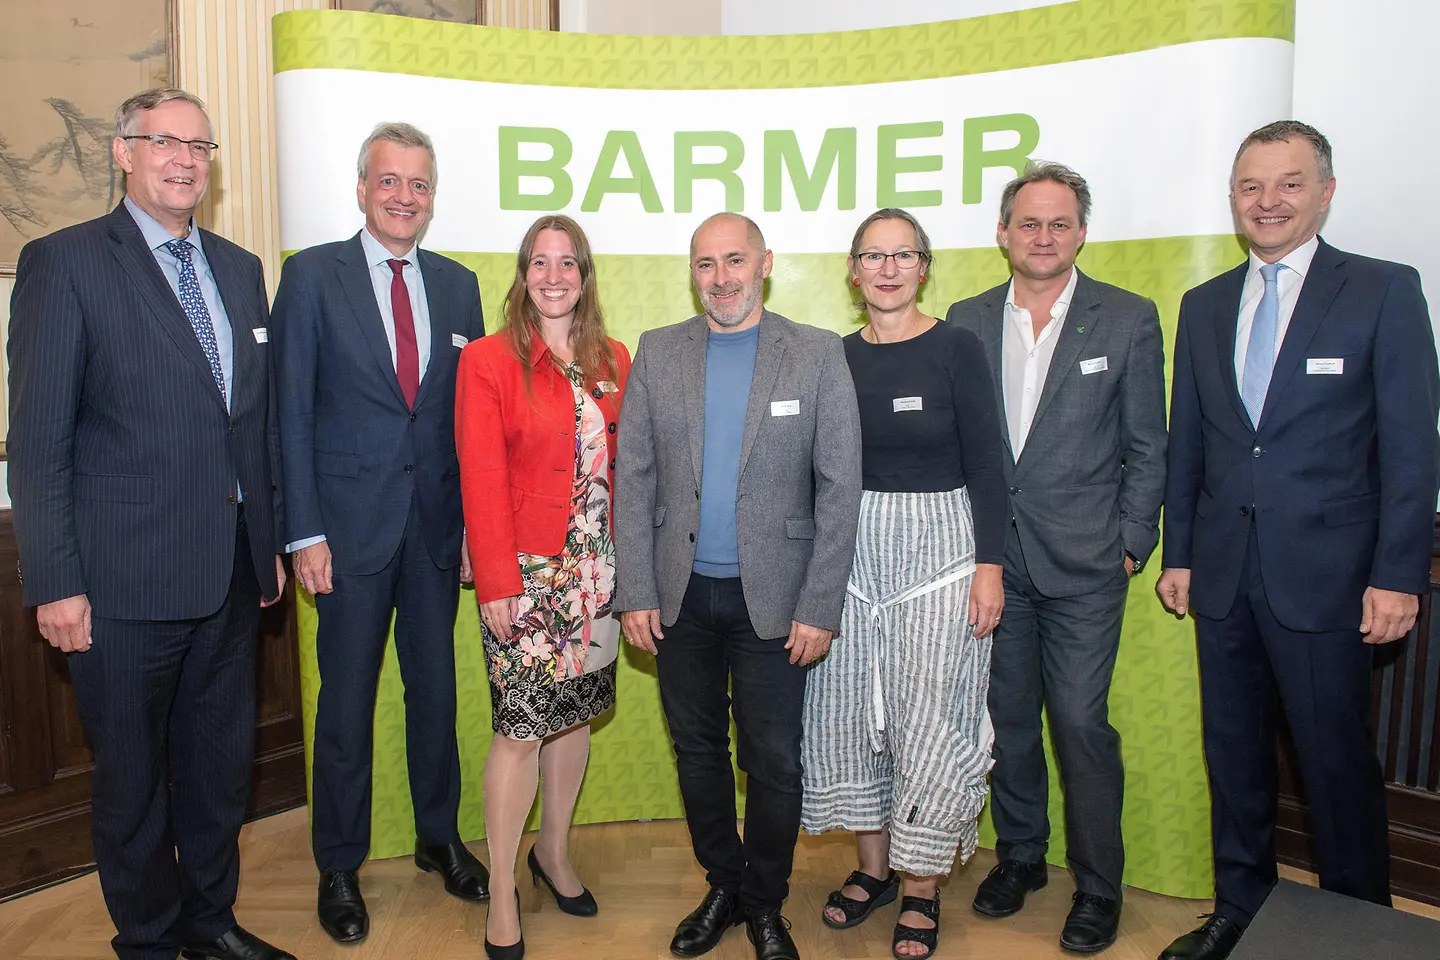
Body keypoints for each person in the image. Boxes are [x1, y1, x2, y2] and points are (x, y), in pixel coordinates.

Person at [7, 87, 292, 960]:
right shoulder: (65, 262)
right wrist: (55, 580)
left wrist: (270, 543)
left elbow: (255, 423)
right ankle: (149, 941)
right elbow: (40, 441)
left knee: (217, 777)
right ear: (122, 152)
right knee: (131, 785)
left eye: (200, 145)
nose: (186, 159)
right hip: (121, 585)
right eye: (165, 141)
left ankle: (211, 926)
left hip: (231, 577)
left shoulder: (241, 268)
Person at [1156, 120, 1440, 960]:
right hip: (1223, 578)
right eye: (1250, 186)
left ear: (1325, 191)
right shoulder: (1204, 305)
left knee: (1335, 773)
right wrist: (1179, 552)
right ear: (1234, 199)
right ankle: (1236, 914)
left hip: (1330, 581)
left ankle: (1359, 931)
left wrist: (1399, 576)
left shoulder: (1383, 290)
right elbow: (1192, 444)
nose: (1267, 201)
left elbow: (1412, 447)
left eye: (1287, 183)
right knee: (1235, 765)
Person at [614, 212, 863, 960]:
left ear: (765, 264)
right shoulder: (659, 353)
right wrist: (635, 591)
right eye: (704, 265)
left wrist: (820, 605)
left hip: (776, 605)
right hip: (679, 598)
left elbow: (840, 486)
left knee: (774, 761)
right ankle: (722, 883)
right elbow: (633, 479)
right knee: (697, 753)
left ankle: (764, 903)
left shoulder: (815, 354)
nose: (720, 278)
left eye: (733, 261)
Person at [272, 121, 489, 944]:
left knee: (435, 698)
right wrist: (303, 534)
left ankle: (439, 839)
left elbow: (466, 419)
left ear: (433, 196)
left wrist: (472, 529)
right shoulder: (310, 278)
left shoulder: (459, 285)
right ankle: (339, 862)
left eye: (420, 184)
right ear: (362, 189)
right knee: (347, 707)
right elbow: (289, 414)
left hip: (435, 533)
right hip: (347, 537)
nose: (405, 197)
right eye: (389, 181)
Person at [948, 162, 1168, 953]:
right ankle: (1021, 858)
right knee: (1006, 722)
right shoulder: (965, 320)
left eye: (1059, 223)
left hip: (1086, 567)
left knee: (1078, 723)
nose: (1044, 237)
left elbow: (1148, 445)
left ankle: (1099, 885)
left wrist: (1132, 544)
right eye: (1029, 223)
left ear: (1081, 231)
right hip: (994, 566)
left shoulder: (1127, 318)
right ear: (1003, 233)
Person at [801, 208, 1007, 960]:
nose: (888, 269)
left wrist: (991, 567)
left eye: (903, 255)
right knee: (854, 708)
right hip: (851, 553)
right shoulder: (832, 357)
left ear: (925, 266)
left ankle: (921, 885)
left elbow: (989, 462)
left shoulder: (957, 348)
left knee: (927, 713)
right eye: (872, 256)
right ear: (853, 272)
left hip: (942, 553)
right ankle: (874, 869)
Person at [455, 215, 631, 960]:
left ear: (585, 275)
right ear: (523, 273)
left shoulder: (612, 358)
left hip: (598, 572)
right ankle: (501, 889)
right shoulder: (491, 362)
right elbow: (481, 475)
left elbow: (630, 469)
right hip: (526, 578)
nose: (554, 276)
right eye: (540, 262)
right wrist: (494, 578)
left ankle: (553, 855)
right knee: (520, 732)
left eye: (568, 263)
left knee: (575, 718)